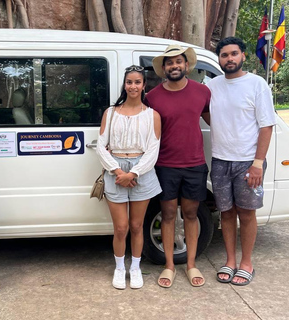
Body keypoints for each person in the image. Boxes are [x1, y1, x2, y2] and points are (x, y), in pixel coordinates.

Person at [207, 37, 276, 286]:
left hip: (248, 162)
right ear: (219, 59)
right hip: (220, 161)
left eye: (234, 54)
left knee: (247, 214)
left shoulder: (257, 84)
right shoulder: (212, 85)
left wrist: (258, 163)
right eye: (224, 55)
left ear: (243, 56)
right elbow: (207, 113)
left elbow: (266, 126)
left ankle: (246, 262)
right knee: (226, 213)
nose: (229, 59)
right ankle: (230, 261)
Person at [144, 45, 211, 288]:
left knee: (191, 214)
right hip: (165, 165)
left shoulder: (203, 92)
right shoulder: (152, 97)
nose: (174, 66)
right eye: (169, 63)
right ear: (163, 68)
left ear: (186, 65)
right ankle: (169, 266)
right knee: (169, 215)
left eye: (178, 62)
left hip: (195, 164)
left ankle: (191, 264)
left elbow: (217, 121)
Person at [97, 65, 162, 290]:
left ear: (144, 85)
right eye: (129, 82)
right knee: (121, 227)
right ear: (124, 85)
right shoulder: (111, 113)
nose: (133, 86)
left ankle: (135, 267)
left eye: (137, 82)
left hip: (140, 170)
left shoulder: (152, 115)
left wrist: (133, 173)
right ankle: (119, 267)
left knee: (136, 225)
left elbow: (153, 149)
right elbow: (101, 146)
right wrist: (118, 172)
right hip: (115, 170)